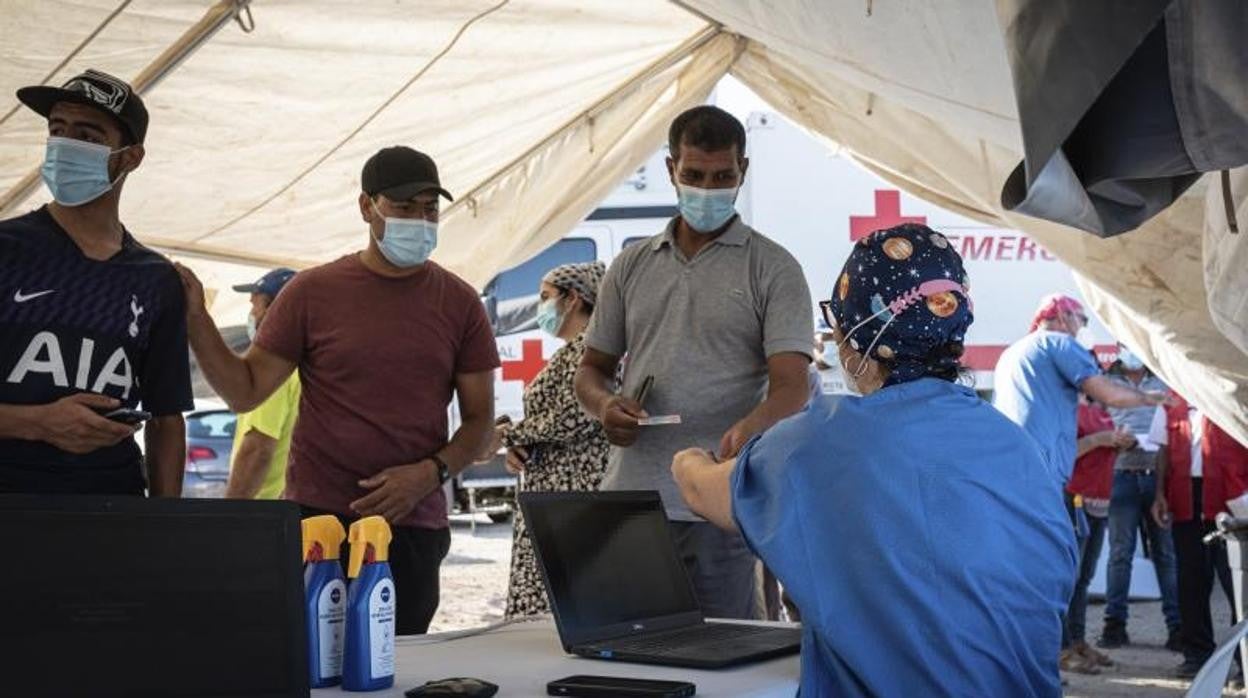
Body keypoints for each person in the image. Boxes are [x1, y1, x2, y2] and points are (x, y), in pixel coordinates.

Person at [672, 223, 1077, 696]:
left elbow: (699, 490)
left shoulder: (817, 442)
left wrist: (688, 456)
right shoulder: (1017, 445)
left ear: (857, 332)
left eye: (837, 319)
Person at [177, 146, 498, 634]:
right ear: (367, 207)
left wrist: (429, 474)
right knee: (310, 662)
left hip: (411, 527)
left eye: (430, 209)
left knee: (396, 662)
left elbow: (479, 421)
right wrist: (197, 319)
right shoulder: (311, 292)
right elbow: (245, 392)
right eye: (404, 207)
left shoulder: (460, 302)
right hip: (317, 525)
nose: (420, 220)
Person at [574, 105, 814, 619]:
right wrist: (605, 407)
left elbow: (793, 386)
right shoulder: (631, 265)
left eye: (723, 177)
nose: (708, 189)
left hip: (720, 506)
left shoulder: (772, 268)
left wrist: (751, 428)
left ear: (743, 170)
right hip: (632, 503)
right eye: (695, 176)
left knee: (724, 653)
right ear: (671, 170)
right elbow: (591, 369)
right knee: (625, 648)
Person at [0, 69, 191, 496]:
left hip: (111, 510)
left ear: (130, 157)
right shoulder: (7, 249)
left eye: (87, 136)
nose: (64, 145)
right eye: (57, 130)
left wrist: (165, 524)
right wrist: (36, 423)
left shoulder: (156, 278)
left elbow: (166, 419)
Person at [493, 262, 610, 618]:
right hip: (554, 491)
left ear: (573, 298)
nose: (540, 307)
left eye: (545, 297)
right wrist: (522, 444)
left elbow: (573, 417)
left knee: (562, 602)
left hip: (572, 494)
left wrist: (507, 434)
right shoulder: (572, 349)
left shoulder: (591, 348)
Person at [993, 295, 1169, 485]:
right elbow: (1110, 396)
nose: (1083, 327)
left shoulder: (1012, 352)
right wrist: (1147, 398)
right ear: (1063, 316)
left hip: (1010, 462)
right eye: (1083, 320)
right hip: (1043, 467)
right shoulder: (1060, 342)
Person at [1151, 394, 1248, 678]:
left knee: (1238, 582)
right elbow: (1163, 450)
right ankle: (1197, 655)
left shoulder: (1231, 392)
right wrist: (1159, 493)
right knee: (1191, 579)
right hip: (1186, 496)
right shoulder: (1170, 401)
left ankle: (1245, 662)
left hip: (1232, 498)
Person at [1098, 345, 1179, 651]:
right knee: (1120, 554)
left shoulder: (1164, 380)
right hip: (1120, 475)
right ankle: (1114, 625)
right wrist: (1115, 439)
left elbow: (1173, 425)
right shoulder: (1105, 382)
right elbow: (1098, 421)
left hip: (1159, 478)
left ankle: (1177, 627)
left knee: (1166, 554)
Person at [1062, 392, 1133, 674]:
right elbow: (1064, 452)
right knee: (1070, 578)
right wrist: (1098, 440)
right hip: (1075, 498)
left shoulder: (1101, 411)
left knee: (1084, 578)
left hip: (1099, 500)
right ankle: (1062, 648)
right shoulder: (1067, 410)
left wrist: (1121, 443)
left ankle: (1077, 641)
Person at [224, 268, 300, 500]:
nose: (251, 314)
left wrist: (230, 512)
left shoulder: (272, 368)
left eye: (254, 305)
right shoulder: (302, 365)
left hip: (258, 507)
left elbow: (258, 449)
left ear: (273, 310)